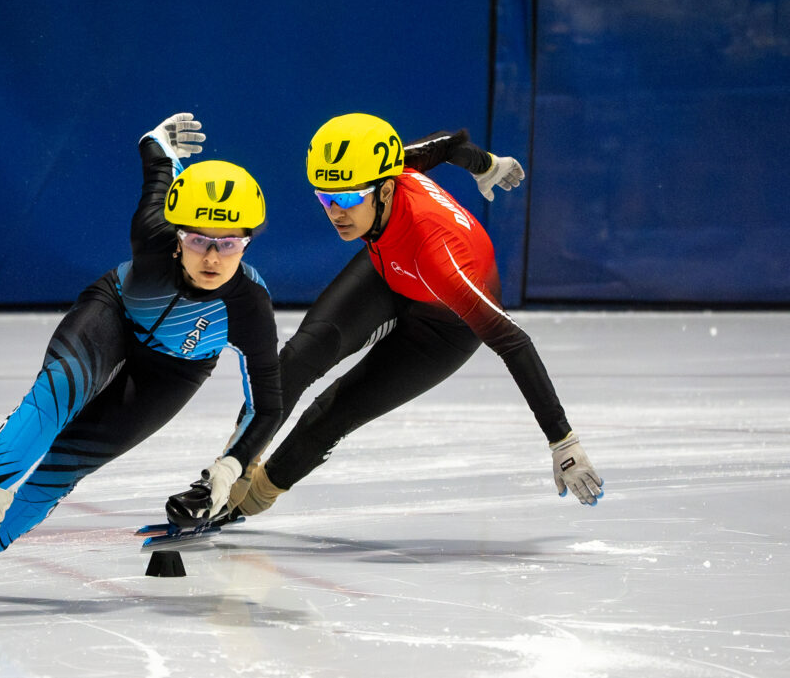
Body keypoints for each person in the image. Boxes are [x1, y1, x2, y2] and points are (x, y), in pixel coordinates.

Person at [0, 113, 282, 598]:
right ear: (176, 236)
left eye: (230, 243)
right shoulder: (151, 233)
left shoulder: (250, 306)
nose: (213, 258)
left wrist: (225, 474)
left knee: (68, 463)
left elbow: (267, 403)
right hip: (114, 312)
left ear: (248, 242)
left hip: (173, 370)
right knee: (56, 394)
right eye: (198, 240)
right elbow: (155, 162)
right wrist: (156, 142)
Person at [220, 113, 602, 522]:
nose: (335, 212)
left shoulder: (438, 254)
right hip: (390, 271)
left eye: (348, 199)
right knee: (299, 358)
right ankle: (226, 476)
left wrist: (562, 440)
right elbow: (446, 143)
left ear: (385, 190)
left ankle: (254, 499)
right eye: (324, 198)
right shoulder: (384, 163)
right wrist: (487, 165)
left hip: (442, 326)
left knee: (336, 410)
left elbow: (513, 342)